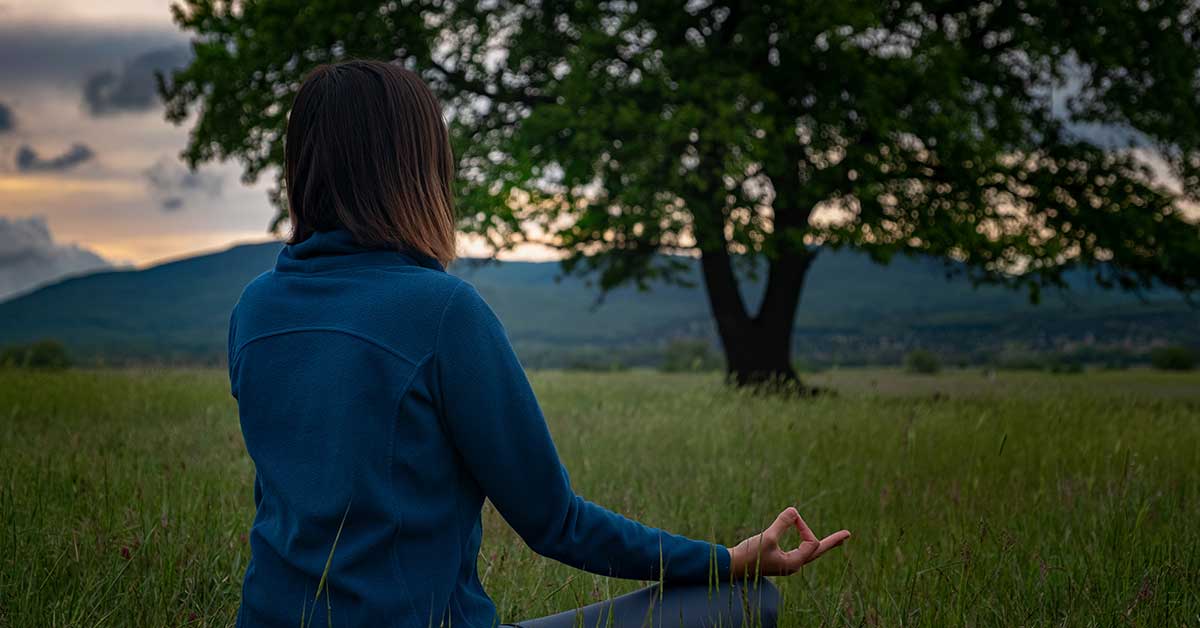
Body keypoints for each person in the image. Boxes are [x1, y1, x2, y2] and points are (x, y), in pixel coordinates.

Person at [227, 59, 850, 628]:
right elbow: (557, 523)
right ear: (417, 167)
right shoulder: (442, 311)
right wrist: (728, 560)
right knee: (748, 602)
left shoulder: (254, 309)